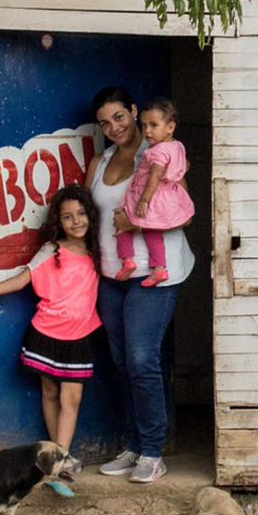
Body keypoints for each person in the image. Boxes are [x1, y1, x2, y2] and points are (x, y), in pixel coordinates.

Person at [86, 86, 195, 484]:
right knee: (120, 363)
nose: (113, 126)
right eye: (104, 122)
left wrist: (135, 222)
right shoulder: (99, 162)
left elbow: (183, 214)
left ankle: (153, 451)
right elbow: (89, 214)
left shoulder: (161, 155)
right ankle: (133, 445)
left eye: (119, 116)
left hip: (155, 273)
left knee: (141, 359)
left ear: (133, 112)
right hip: (112, 274)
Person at [0, 184, 100, 495]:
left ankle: (58, 461)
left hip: (78, 336)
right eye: (68, 217)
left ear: (90, 216)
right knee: (51, 395)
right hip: (45, 333)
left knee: (72, 400)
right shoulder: (51, 251)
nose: (76, 221)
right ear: (59, 222)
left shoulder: (98, 251)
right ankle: (58, 463)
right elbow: (24, 278)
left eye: (81, 214)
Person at [114, 98, 193, 287]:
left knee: (122, 224)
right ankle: (159, 269)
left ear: (170, 127)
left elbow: (154, 177)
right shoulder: (177, 146)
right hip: (167, 198)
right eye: (144, 125)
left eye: (154, 125)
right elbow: (184, 165)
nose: (147, 131)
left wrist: (143, 201)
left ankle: (127, 260)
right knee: (153, 234)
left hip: (152, 197)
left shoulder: (157, 152)